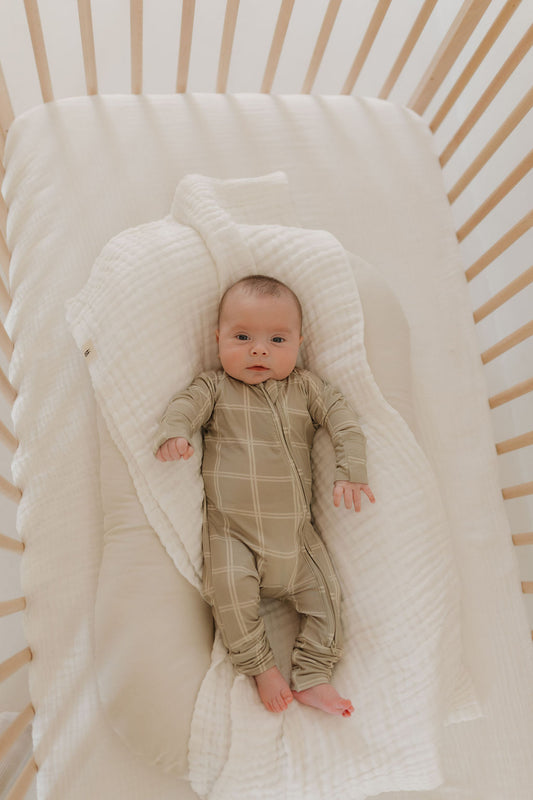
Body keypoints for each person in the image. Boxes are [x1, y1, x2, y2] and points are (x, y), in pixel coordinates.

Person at [153, 275, 375, 717]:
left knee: (329, 599)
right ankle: (260, 667)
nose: (259, 350)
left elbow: (344, 420)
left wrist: (352, 470)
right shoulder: (214, 388)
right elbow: (182, 407)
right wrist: (174, 432)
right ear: (217, 340)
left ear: (298, 342)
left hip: (297, 539)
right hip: (234, 536)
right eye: (242, 337)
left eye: (276, 339)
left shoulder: (307, 388)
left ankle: (313, 674)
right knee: (229, 593)